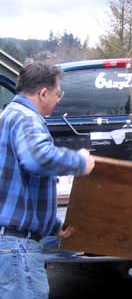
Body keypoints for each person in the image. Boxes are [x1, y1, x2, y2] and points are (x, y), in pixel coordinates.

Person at [0, 61, 95, 299]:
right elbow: (38, 159)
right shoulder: (26, 118)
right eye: (57, 94)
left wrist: (54, 227)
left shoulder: (9, 115)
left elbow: (21, 186)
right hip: (18, 250)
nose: (57, 99)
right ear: (43, 93)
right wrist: (80, 162)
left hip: (10, 245)